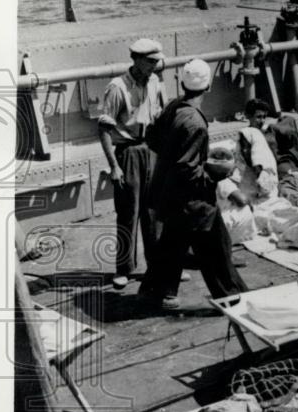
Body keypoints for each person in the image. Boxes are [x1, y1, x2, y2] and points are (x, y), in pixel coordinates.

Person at [142, 59, 246, 311]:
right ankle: (231, 298)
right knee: (216, 247)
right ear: (208, 86)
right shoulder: (195, 123)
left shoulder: (173, 107)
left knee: (172, 242)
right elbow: (187, 170)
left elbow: (152, 138)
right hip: (191, 199)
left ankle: (156, 292)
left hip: (167, 192)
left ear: (183, 83)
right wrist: (217, 174)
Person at [98, 37, 167, 290]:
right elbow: (104, 129)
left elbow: (160, 114)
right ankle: (124, 268)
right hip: (127, 153)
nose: (154, 67)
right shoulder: (117, 87)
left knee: (154, 213)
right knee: (128, 213)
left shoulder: (155, 82)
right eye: (150, 62)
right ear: (136, 60)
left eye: (156, 62)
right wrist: (114, 166)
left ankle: (157, 264)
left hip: (151, 150)